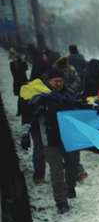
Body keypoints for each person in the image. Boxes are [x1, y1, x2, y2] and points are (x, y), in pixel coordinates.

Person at [19, 68, 92, 213]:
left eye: (60, 80)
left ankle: (70, 187)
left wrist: (95, 107)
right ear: (49, 81)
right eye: (55, 81)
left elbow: (80, 106)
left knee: (72, 167)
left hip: (70, 139)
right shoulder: (41, 98)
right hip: (51, 141)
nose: (58, 83)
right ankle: (61, 201)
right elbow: (28, 116)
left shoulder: (69, 95)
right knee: (56, 171)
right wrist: (25, 134)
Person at [9, 47, 29, 116]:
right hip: (18, 82)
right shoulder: (12, 64)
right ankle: (20, 111)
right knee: (21, 98)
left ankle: (23, 110)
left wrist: (23, 61)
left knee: (24, 97)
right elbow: (15, 72)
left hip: (23, 81)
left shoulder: (20, 61)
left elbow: (26, 68)